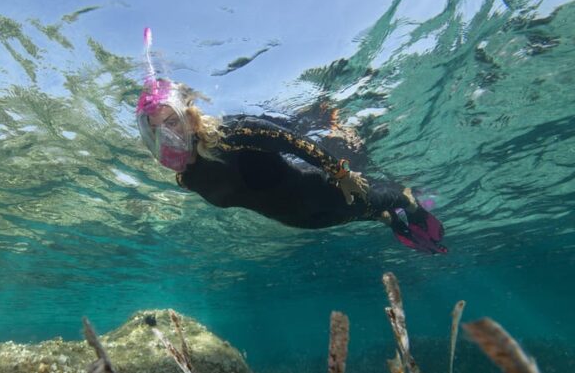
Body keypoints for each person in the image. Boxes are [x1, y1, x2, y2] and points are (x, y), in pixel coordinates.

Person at [136, 77, 447, 254]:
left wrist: (340, 172)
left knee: (381, 198)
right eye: (156, 128)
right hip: (302, 221)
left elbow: (290, 140)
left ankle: (407, 200)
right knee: (366, 215)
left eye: (172, 121)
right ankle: (385, 218)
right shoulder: (187, 178)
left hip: (327, 193)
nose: (167, 134)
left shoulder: (230, 136)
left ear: (189, 117)